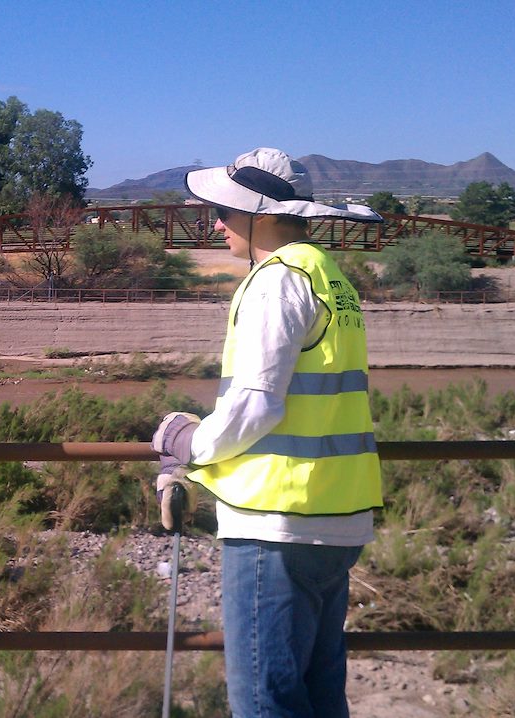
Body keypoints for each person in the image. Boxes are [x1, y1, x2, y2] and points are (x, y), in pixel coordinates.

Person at [151, 148, 384, 718]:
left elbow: (256, 405)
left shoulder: (276, 282)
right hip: (337, 515)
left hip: (277, 525)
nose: (216, 224)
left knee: (265, 701)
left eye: (225, 212)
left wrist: (188, 443)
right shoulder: (329, 275)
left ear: (260, 215)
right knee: (321, 694)